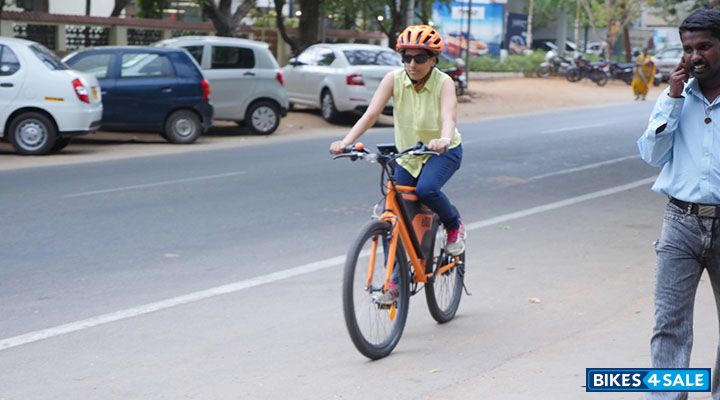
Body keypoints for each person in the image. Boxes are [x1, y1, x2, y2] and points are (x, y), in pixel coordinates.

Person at [637, 8, 720, 400]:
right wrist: (672, 98)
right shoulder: (674, 98)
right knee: (669, 325)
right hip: (680, 223)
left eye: (705, 46)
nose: (695, 56)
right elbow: (652, 155)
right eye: (688, 49)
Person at [329, 25, 465, 256]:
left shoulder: (444, 83)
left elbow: (448, 116)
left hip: (443, 151)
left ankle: (454, 225)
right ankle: (393, 275)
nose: (412, 64)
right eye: (406, 58)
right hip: (408, 155)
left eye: (419, 58)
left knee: (426, 190)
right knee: (392, 211)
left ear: (433, 60)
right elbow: (371, 114)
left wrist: (443, 139)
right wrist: (345, 141)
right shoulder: (393, 79)